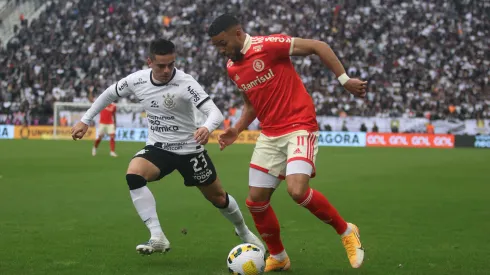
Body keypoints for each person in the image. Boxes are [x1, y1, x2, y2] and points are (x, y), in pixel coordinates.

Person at [71, 38, 264, 255]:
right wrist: (86, 120)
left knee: (218, 197)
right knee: (134, 174)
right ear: (149, 62)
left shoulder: (186, 82)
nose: (167, 70)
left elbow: (215, 113)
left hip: (190, 149)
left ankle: (242, 229)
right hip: (159, 147)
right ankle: (157, 236)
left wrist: (207, 128)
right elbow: (109, 93)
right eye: (161, 65)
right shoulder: (137, 80)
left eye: (171, 64)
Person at [208, 14, 366, 271]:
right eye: (216, 46)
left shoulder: (268, 45)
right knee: (255, 201)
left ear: (238, 33)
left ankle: (347, 230)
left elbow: (318, 46)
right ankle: (279, 257)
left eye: (222, 43)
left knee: (297, 190)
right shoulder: (232, 68)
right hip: (270, 134)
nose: (221, 50)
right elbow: (251, 104)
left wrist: (345, 81)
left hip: (299, 126)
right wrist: (237, 129)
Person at [88, 86, 117, 157]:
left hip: (110, 123)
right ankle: (94, 148)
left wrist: (115, 124)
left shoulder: (113, 105)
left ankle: (112, 152)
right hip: (102, 123)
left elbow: (114, 115)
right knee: (100, 137)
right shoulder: (101, 102)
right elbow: (91, 100)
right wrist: (90, 92)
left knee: (112, 137)